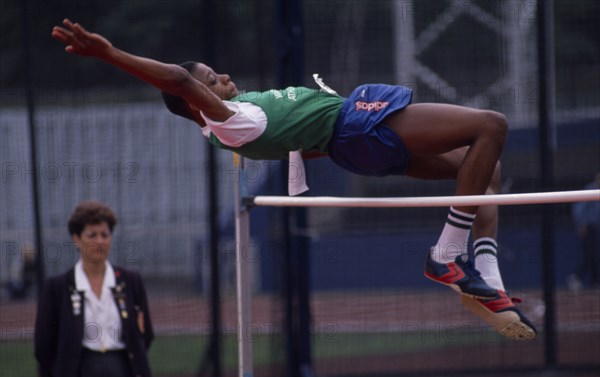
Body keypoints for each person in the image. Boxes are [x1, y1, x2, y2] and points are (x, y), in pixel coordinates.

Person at [50, 19, 536, 340]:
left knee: (485, 170)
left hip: (353, 141)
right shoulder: (230, 121)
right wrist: (112, 54)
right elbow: (178, 81)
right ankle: (446, 256)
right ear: (197, 102)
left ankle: (487, 283)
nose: (222, 79)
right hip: (355, 125)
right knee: (490, 125)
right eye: (211, 81)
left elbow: (206, 93)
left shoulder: (238, 111)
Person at [34, 201, 154, 377]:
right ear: (76, 239)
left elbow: (145, 335)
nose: (99, 241)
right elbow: (44, 346)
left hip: (123, 371)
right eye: (92, 235)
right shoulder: (57, 287)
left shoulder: (130, 281)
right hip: (81, 375)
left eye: (105, 235)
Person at [568, 173, 600, 290]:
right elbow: (578, 209)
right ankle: (577, 277)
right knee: (589, 254)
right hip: (588, 227)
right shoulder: (590, 189)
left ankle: (594, 281)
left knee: (595, 255)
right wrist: (582, 224)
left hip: (596, 227)